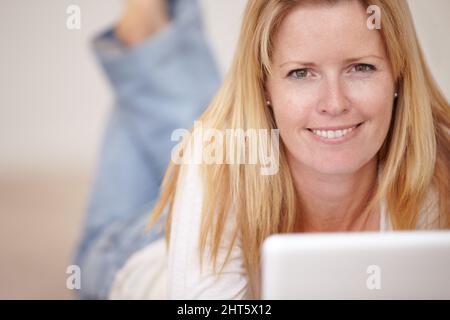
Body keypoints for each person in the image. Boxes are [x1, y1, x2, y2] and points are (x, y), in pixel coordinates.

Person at [110, 0, 450, 300]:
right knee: (192, 131)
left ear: (398, 74)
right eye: (301, 73)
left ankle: (147, 46)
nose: (335, 103)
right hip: (130, 255)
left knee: (183, 116)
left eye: (361, 68)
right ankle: (145, 37)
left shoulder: (438, 169)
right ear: (264, 86)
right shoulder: (217, 159)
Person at [73, 0, 221, 299]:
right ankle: (150, 53)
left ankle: (150, 52)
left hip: (138, 256)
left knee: (215, 158)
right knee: (217, 152)